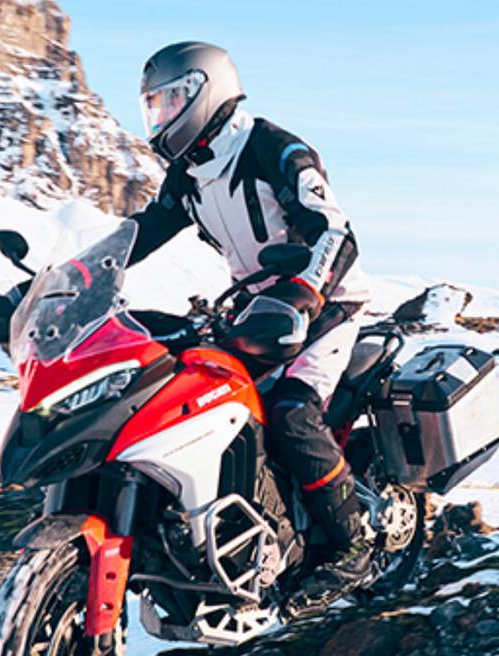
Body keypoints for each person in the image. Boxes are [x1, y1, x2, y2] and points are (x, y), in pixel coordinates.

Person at [129, 41, 372, 615]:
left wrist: (307, 291)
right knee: (201, 402)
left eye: (170, 102)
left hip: (327, 305)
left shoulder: (272, 147)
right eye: (154, 107)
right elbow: (142, 231)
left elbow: (336, 233)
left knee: (289, 411)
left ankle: (352, 546)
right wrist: (69, 275)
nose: (161, 118)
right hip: (255, 311)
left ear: (205, 91)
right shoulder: (188, 175)